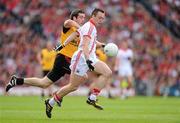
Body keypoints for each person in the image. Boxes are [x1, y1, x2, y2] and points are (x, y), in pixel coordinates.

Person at [5, 9, 86, 103]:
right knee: (83, 76)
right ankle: (58, 94)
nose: (83, 19)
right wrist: (81, 28)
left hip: (66, 60)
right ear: (74, 17)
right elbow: (68, 22)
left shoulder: (80, 33)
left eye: (84, 17)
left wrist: (102, 45)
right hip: (64, 58)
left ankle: (17, 80)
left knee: (44, 83)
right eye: (81, 17)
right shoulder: (69, 26)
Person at [45, 8, 112, 118]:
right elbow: (85, 44)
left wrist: (103, 45)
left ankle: (92, 98)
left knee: (107, 72)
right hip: (82, 58)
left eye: (103, 19)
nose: (101, 20)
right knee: (73, 86)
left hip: (90, 56)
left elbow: (80, 37)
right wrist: (87, 60)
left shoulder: (90, 27)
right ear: (93, 16)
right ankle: (51, 102)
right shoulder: (89, 27)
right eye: (99, 18)